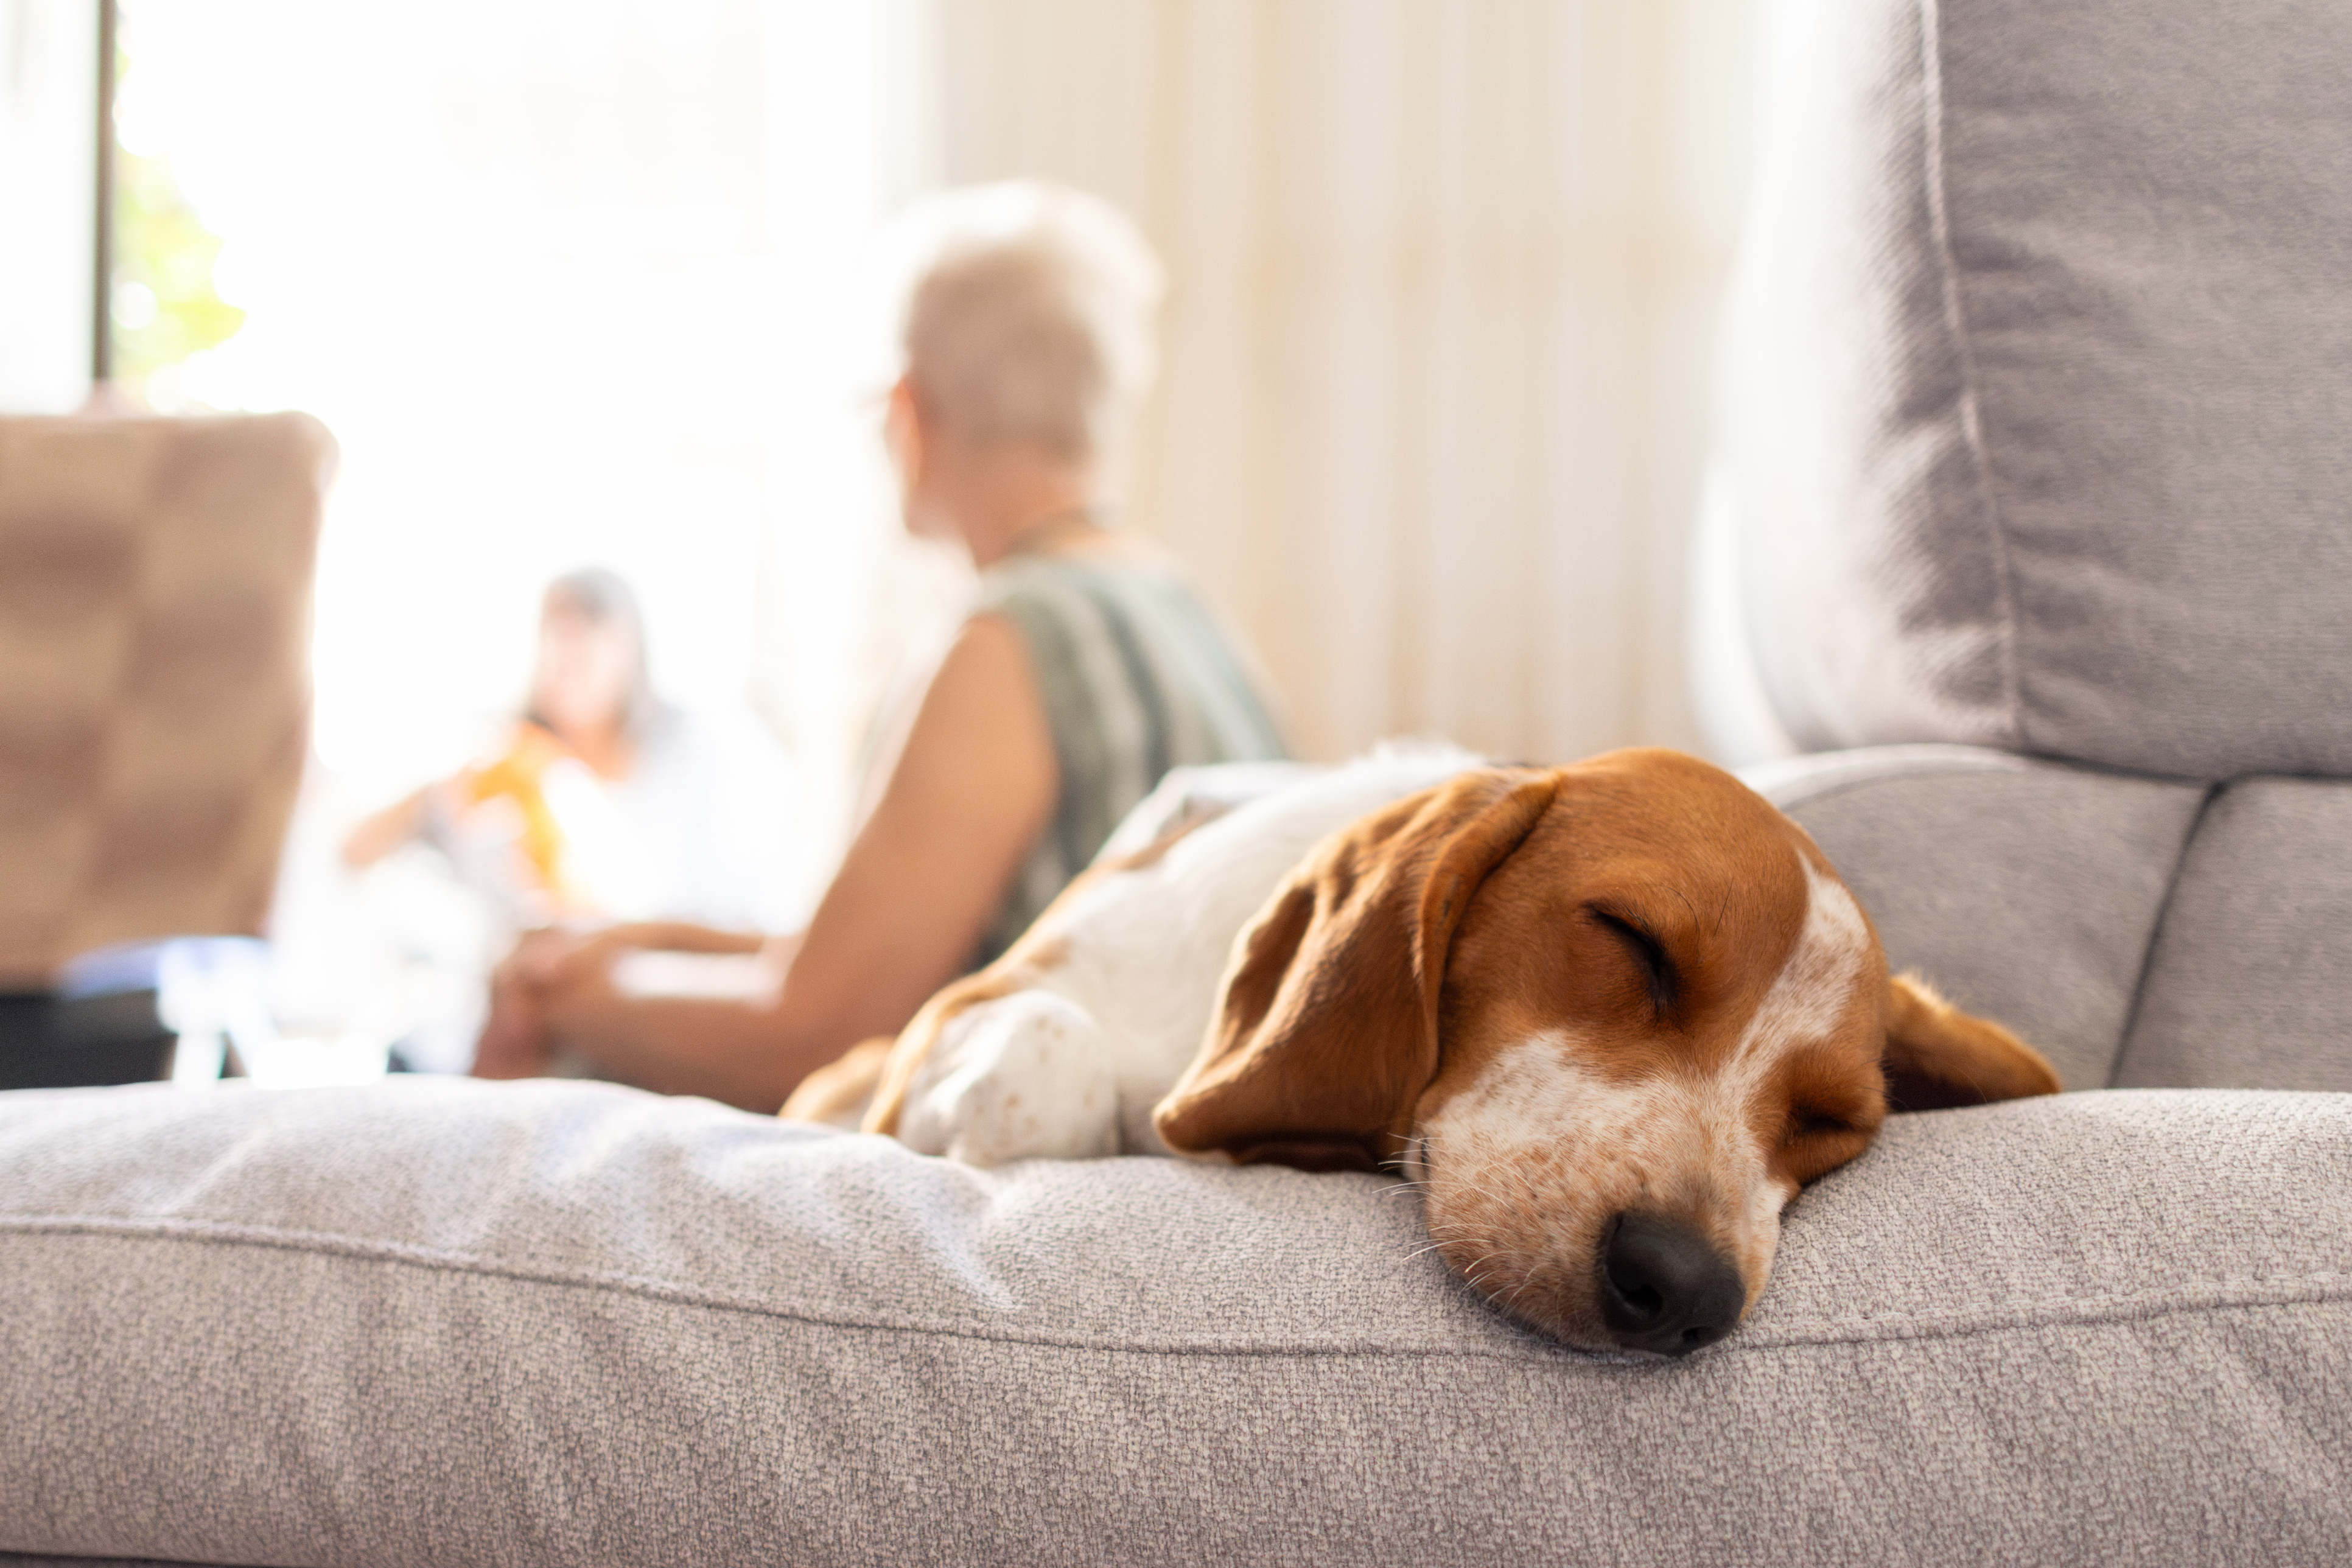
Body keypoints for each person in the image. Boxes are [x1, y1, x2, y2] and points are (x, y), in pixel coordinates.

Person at [474, 181, 1288, 1111]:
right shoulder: (1182, 612)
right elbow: (874, 957)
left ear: (913, 409)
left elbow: (814, 1037)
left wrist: (572, 1005)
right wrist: (630, 943)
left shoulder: (1007, 643)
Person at [343, 568, 803, 934]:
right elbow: (356, 847)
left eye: (584, 639)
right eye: (553, 639)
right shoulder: (514, 759)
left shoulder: (707, 749)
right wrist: (444, 790)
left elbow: (744, 910)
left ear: (629, 649)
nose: (565, 663)